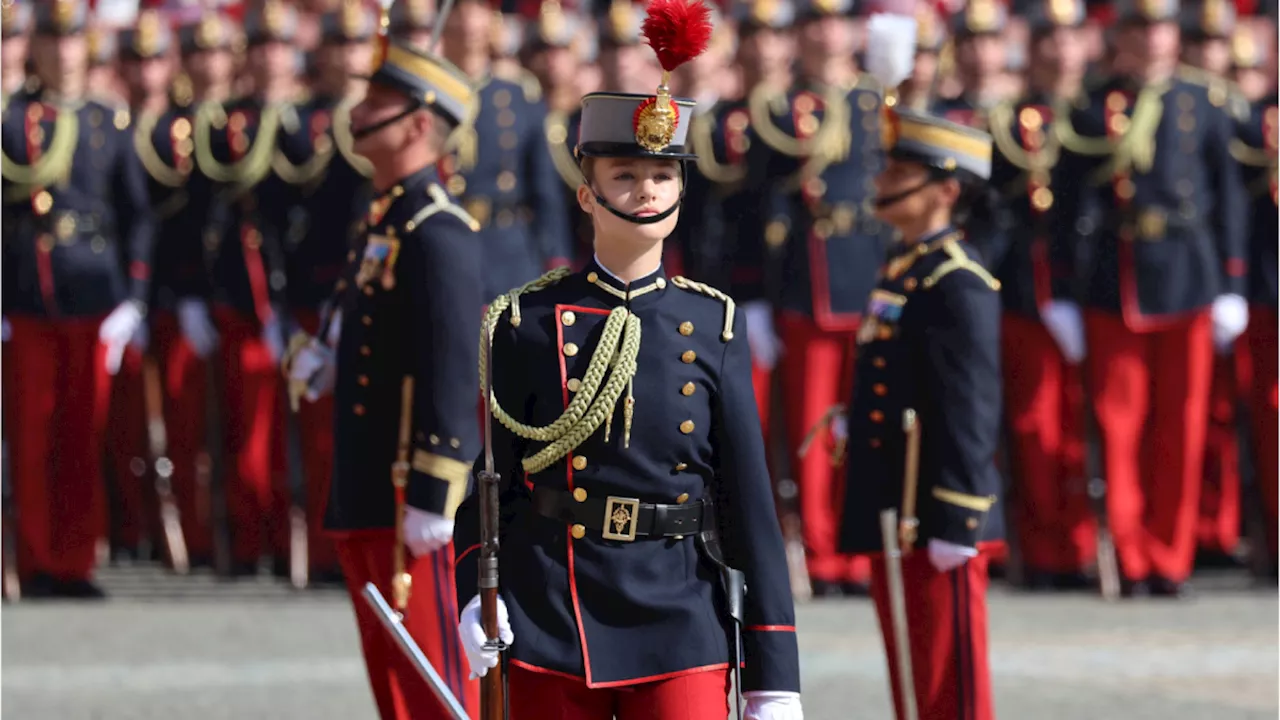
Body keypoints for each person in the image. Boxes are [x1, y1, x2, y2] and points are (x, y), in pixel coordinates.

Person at [452, 1, 802, 717]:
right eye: (624, 175)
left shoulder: (713, 325)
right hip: (554, 609)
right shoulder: (525, 321)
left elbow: (749, 512)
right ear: (587, 193)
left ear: (680, 195)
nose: (645, 189)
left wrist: (775, 674)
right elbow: (493, 486)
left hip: (681, 616)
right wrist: (470, 596)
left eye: (662, 176)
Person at [283, 28, 484, 720]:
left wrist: (437, 490)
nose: (360, 112)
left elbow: (453, 367)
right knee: (395, 687)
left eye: (380, 101)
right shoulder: (388, 219)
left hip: (409, 501)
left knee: (437, 686)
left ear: (420, 125)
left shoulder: (438, 230)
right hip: (368, 490)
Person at [1048, 0, 1247, 597]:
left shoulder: (1205, 104)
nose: (1153, 41)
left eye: (1161, 28)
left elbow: (1228, 198)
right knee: (1120, 425)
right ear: (1122, 38)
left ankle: (1170, 555)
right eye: (1140, 28)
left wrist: (1232, 284)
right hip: (1118, 279)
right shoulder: (1092, 104)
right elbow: (1068, 202)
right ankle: (1131, 554)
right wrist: (1062, 291)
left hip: (1188, 275)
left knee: (1181, 426)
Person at [837, 107, 1004, 720]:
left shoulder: (957, 280)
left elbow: (972, 406)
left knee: (948, 679)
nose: (882, 181)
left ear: (946, 190)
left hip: (935, 508)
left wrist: (960, 518)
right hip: (898, 498)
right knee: (913, 667)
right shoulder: (906, 266)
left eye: (901, 172)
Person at [1, 0, 154, 599]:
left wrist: (134, 298)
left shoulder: (106, 121)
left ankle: (75, 559)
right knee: (34, 433)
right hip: (30, 295)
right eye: (52, 41)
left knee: (82, 434)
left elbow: (135, 215)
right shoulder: (14, 120)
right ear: (35, 48)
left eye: (72, 41)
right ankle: (39, 558)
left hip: (95, 293)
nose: (63, 53)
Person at [987, 0, 1093, 590]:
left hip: (1098, 291)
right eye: (1050, 37)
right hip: (1030, 292)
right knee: (1034, 426)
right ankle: (1046, 548)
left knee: (1088, 425)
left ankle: (1083, 543)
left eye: (1071, 36)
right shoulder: (1012, 119)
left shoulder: (1105, 110)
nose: (1061, 50)